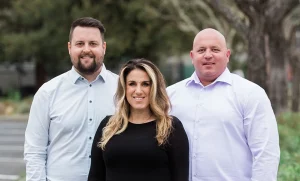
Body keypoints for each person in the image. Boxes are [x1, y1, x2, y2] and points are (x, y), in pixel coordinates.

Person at [167, 28, 280, 181]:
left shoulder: (250, 94)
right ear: (192, 56)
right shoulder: (170, 95)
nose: (208, 55)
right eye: (201, 50)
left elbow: (266, 153)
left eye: (215, 49)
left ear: (227, 55)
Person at [24, 17, 118, 181]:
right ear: (69, 47)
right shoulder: (48, 92)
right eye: (80, 44)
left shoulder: (123, 89)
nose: (86, 49)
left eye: (93, 44)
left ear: (104, 47)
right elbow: (34, 151)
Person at [88, 58, 189, 181]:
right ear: (124, 88)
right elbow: (95, 176)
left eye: (145, 84)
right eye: (132, 84)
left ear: (155, 88)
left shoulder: (171, 127)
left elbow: (180, 177)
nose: (138, 91)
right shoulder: (108, 126)